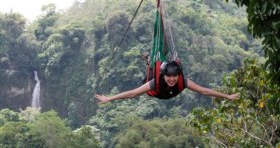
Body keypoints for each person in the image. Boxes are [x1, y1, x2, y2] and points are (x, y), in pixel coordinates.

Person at [95, 61, 240, 104]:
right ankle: (149, 63)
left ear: (178, 75)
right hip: (156, 93)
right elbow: (133, 93)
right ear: (163, 76)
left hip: (170, 93)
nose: (172, 79)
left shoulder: (183, 81)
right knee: (151, 71)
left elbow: (203, 90)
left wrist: (227, 96)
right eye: (168, 76)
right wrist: (110, 99)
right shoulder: (155, 83)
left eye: (174, 76)